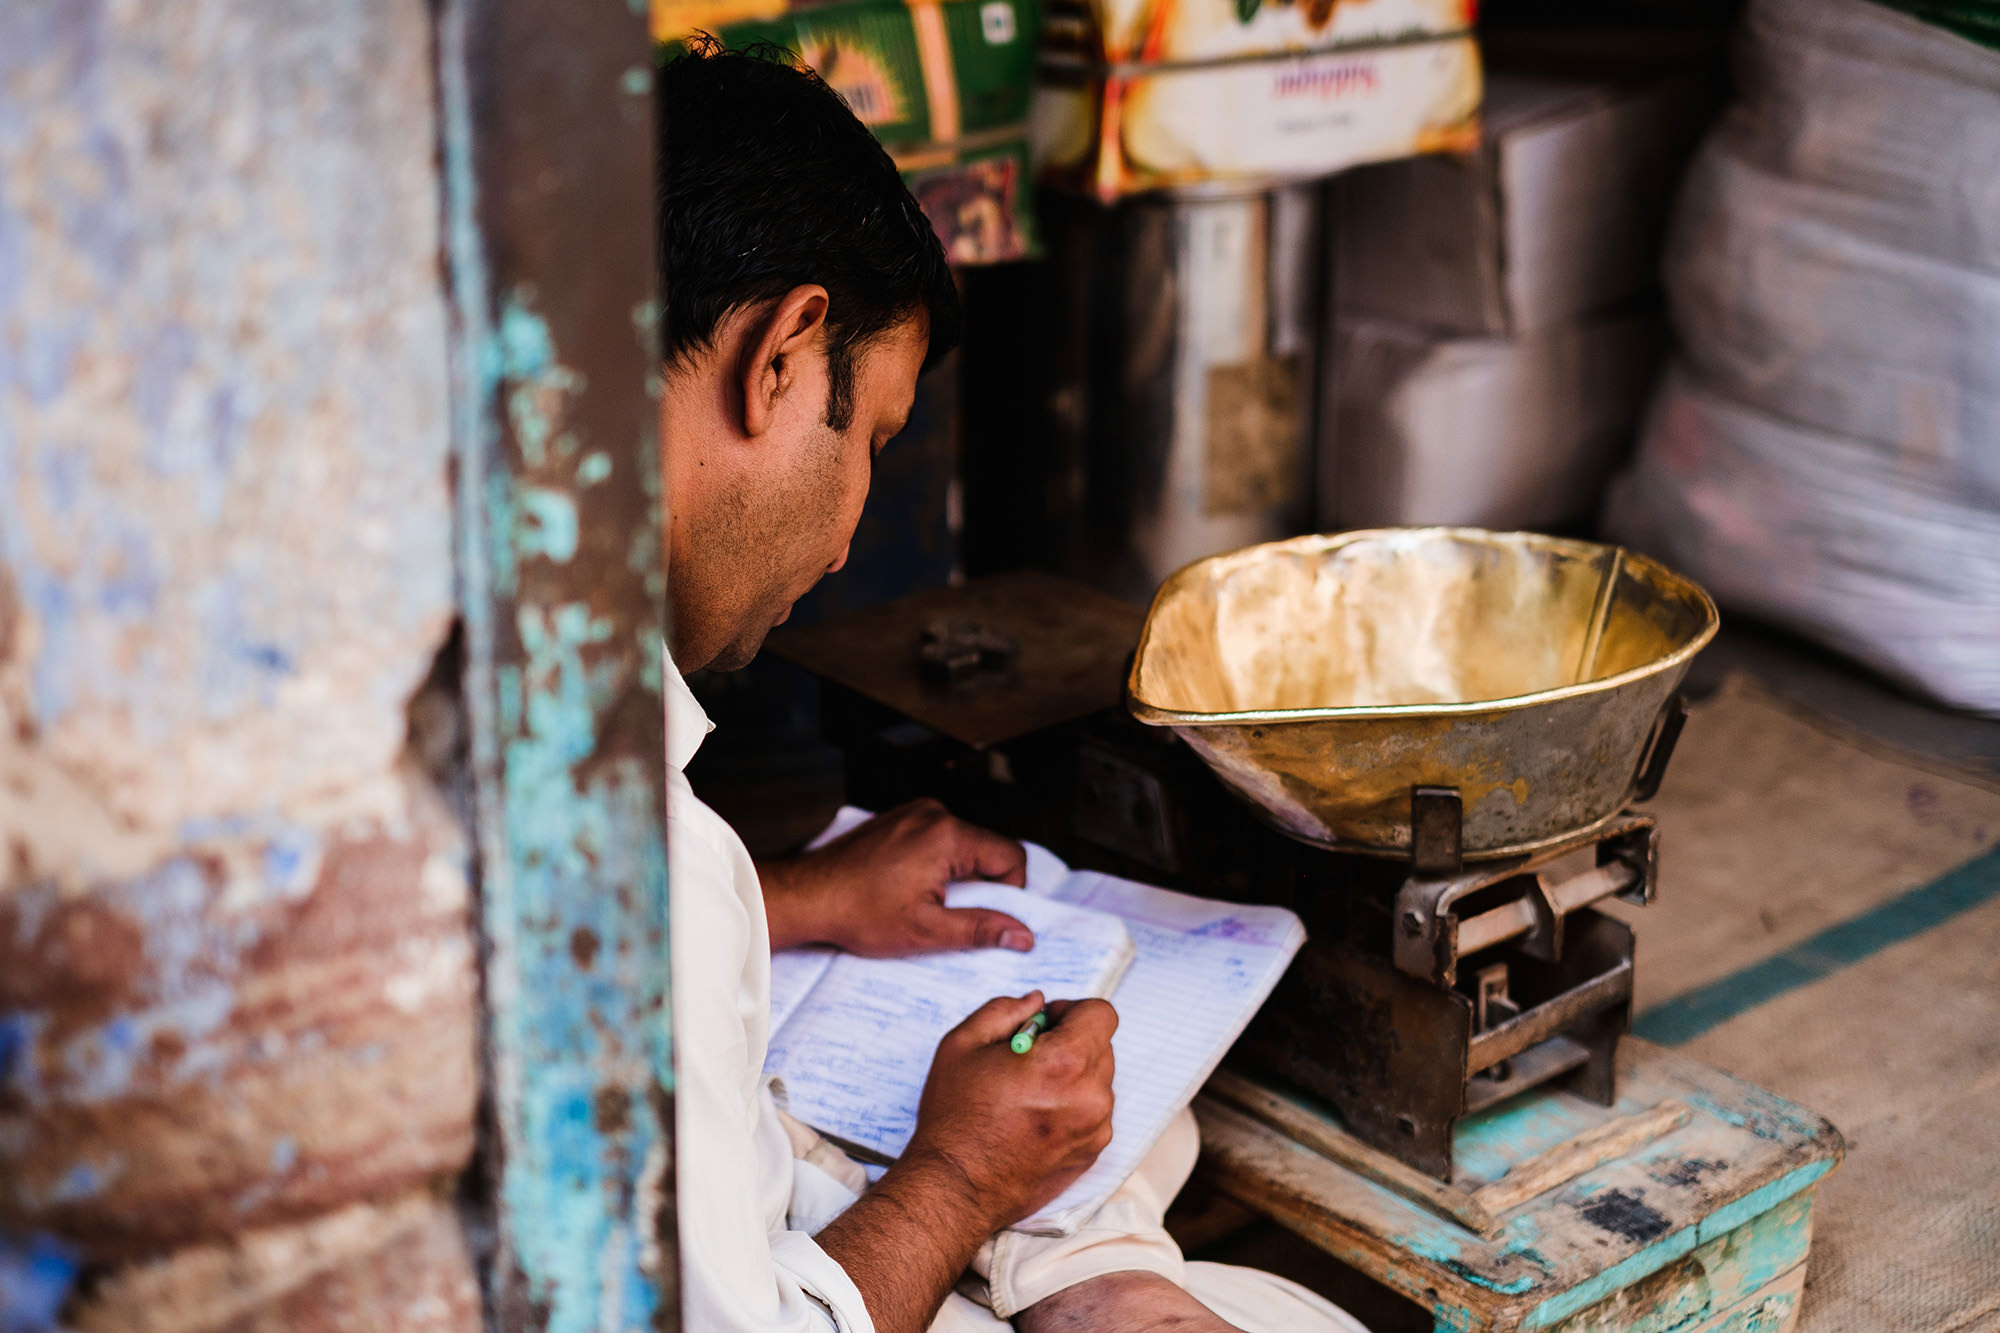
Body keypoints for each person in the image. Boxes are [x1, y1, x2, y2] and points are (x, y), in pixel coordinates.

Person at [658, 40, 1369, 1333]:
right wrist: (961, 1173)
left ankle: (1085, 1272)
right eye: (871, 438)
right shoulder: (655, 857)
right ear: (779, 357)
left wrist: (797, 893)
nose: (845, 537)